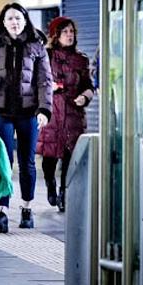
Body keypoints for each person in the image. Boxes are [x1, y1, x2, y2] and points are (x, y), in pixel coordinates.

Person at [0, 3, 54, 232]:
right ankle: (2, 210)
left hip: (29, 113)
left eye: (18, 18)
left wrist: (44, 110)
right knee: (3, 161)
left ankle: (26, 207)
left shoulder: (37, 46)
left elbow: (45, 81)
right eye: (10, 19)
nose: (14, 22)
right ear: (3, 23)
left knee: (27, 162)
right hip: (2, 112)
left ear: (25, 20)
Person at [36, 16, 93, 212]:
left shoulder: (81, 59)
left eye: (72, 32)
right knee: (49, 158)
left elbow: (88, 86)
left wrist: (85, 97)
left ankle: (64, 194)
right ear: (56, 35)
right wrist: (47, 87)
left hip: (73, 114)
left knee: (70, 157)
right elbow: (38, 80)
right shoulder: (46, 55)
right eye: (65, 32)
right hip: (52, 111)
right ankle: (51, 184)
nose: (69, 35)